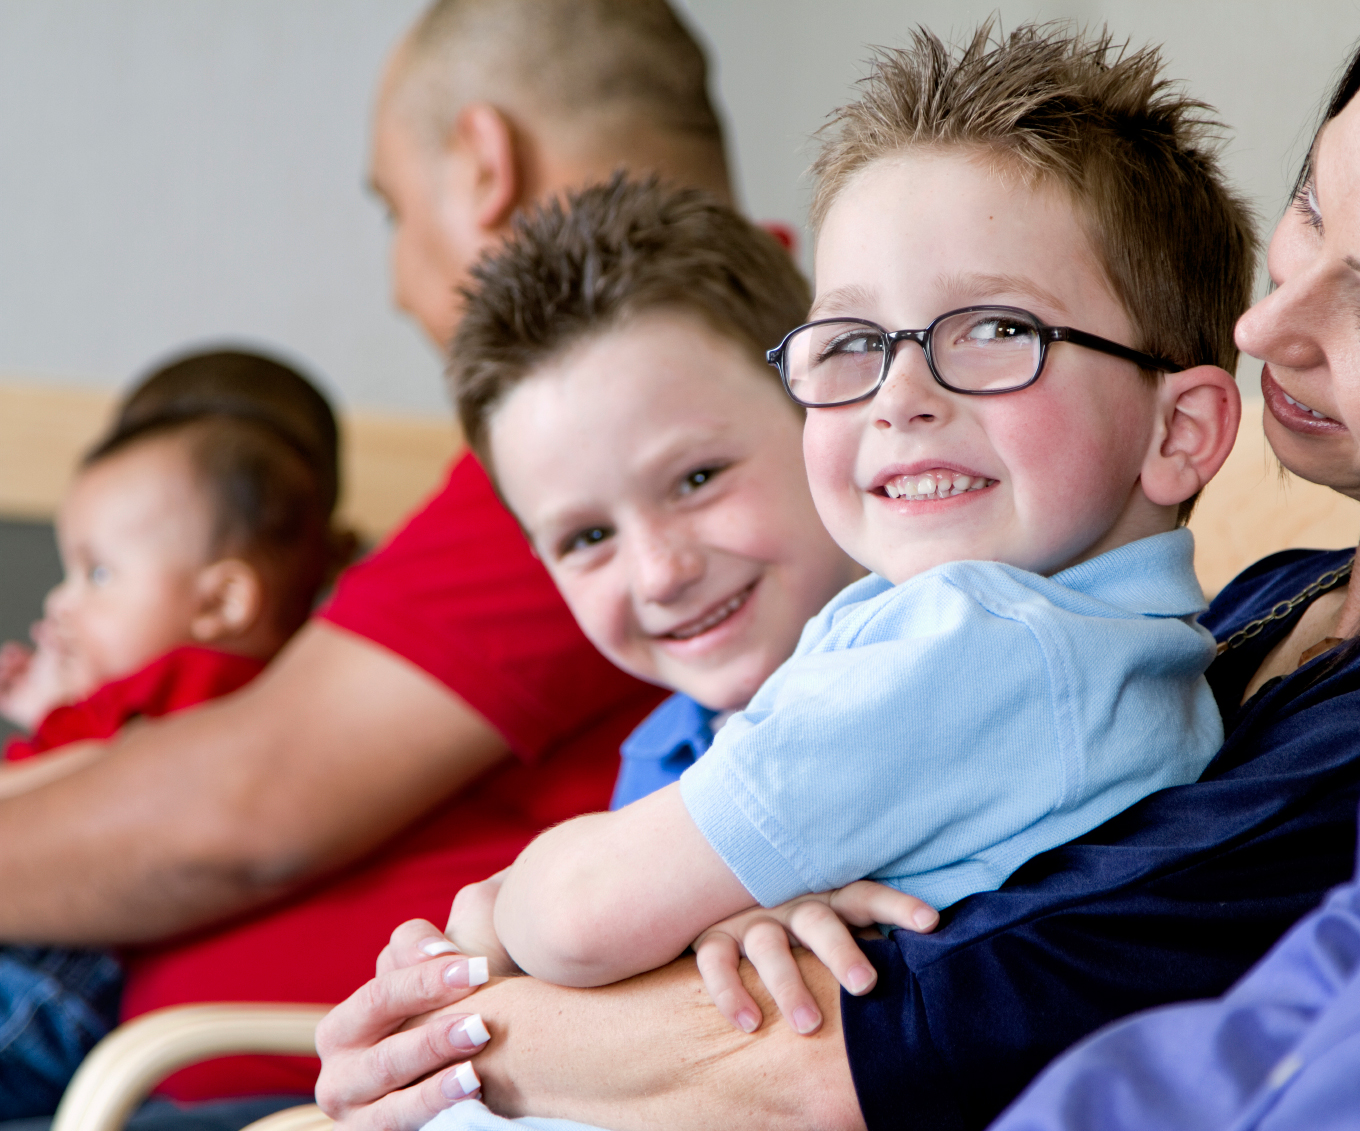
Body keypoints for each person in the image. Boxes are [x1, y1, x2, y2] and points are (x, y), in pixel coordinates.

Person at [314, 4, 1360, 1127]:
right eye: (1306, 214)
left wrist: (461, 984)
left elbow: (843, 1056)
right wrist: (768, 901)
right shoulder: (1261, 599)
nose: (1270, 317)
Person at [0, 0, 739, 1113]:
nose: (400, 284)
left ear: (482, 164)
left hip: (248, 1076)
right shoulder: (669, 390)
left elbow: (240, 808)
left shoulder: (627, 407)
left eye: (393, 210)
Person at [442, 93, 1243, 1010]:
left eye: (997, 329)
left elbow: (584, 917)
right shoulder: (1080, 650)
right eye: (858, 342)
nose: (900, 397)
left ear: (1179, 431)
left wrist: (503, 901)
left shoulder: (984, 643)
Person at [0, 350, 344, 1119]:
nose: (59, 602)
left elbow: (106, 777)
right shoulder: (144, 687)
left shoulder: (208, 685)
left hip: (62, 966)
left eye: (95, 574)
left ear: (221, 598)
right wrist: (51, 710)